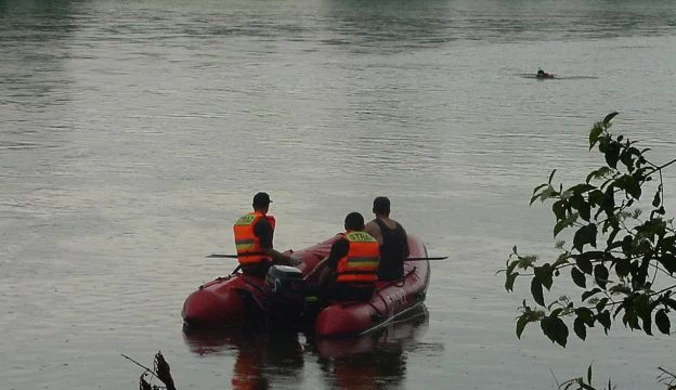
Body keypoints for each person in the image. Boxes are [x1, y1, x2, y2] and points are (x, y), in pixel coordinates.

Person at [233, 192, 299, 278]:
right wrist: (288, 260)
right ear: (267, 206)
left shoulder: (242, 221)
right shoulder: (263, 222)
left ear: (253, 205)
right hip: (260, 266)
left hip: (245, 266)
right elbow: (267, 250)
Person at [317, 212, 380, 301]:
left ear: (346, 226)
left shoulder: (342, 243)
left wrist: (319, 285)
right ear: (363, 227)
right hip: (368, 291)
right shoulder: (374, 242)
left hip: (346, 290)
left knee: (314, 290)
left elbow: (329, 269)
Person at [364, 196, 409, 281]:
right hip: (398, 273)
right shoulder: (400, 227)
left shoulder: (370, 227)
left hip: (381, 274)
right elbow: (406, 253)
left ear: (373, 210)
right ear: (389, 210)